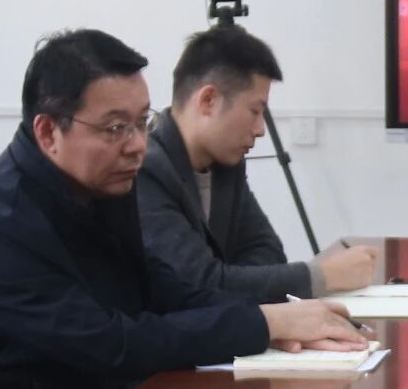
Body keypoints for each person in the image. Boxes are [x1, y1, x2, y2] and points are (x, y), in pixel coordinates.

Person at [0, 30, 372, 389]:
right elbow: (112, 344)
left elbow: (156, 286)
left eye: (142, 122)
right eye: (116, 128)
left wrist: (270, 319)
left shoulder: (95, 182)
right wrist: (265, 325)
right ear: (48, 131)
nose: (138, 144)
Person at [139, 23, 379, 303]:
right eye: (254, 111)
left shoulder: (227, 165)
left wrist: (230, 281)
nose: (260, 129)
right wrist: (324, 275)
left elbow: (268, 251)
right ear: (208, 100)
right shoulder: (146, 171)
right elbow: (196, 286)